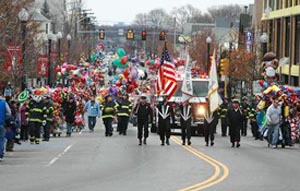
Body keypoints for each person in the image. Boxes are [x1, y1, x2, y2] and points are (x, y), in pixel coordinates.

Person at [0, 94, 12, 161]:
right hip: (1, 123)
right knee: (1, 139)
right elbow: (9, 113)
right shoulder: (3, 103)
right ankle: (0, 155)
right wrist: (4, 118)